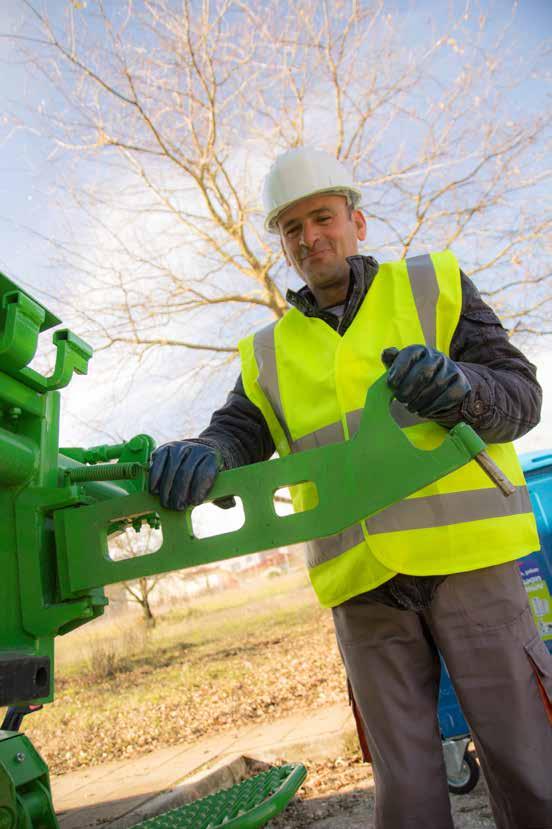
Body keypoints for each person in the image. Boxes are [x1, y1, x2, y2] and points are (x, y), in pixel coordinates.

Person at [149, 147, 552, 829]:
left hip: (471, 565)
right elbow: (236, 433)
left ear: (357, 222)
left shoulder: (434, 284)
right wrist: (205, 452)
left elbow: (521, 395)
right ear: (282, 243)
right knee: (407, 791)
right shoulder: (268, 352)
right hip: (364, 591)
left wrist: (464, 388)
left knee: (527, 763)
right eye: (292, 228)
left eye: (323, 218)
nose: (310, 238)